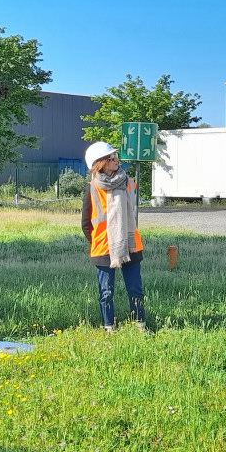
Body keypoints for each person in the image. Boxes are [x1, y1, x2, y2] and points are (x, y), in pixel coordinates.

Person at [81, 141, 145, 332]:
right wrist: (99, 242)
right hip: (103, 247)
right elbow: (86, 224)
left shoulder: (128, 182)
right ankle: (109, 327)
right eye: (111, 158)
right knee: (106, 292)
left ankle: (140, 325)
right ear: (100, 163)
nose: (116, 160)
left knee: (135, 290)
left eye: (115, 156)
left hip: (131, 245)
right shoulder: (92, 188)